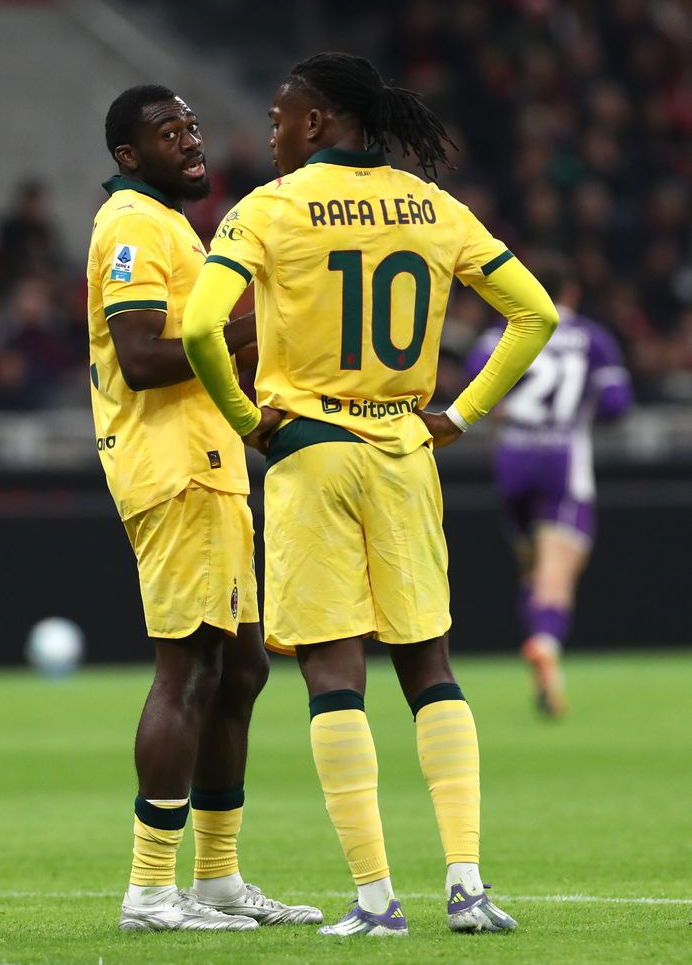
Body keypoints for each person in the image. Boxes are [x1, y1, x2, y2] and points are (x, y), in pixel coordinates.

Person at [181, 52, 559, 936]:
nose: (272, 129)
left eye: (281, 114)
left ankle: (376, 898)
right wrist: (460, 414)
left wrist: (245, 417)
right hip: (403, 449)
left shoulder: (268, 209)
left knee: (331, 671)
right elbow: (533, 311)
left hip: (311, 449)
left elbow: (200, 326)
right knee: (430, 666)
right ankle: (467, 886)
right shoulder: (432, 205)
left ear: (316, 123)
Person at [87, 84, 322, 932]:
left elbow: (204, 344)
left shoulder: (170, 225)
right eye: (166, 131)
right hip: (172, 469)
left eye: (190, 125)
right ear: (128, 156)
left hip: (212, 466)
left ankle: (216, 879)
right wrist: (254, 323)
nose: (189, 140)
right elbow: (145, 357)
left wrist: (264, 326)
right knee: (186, 671)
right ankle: (151, 889)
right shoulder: (131, 228)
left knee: (241, 670)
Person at [466, 254, 633, 716]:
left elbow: (476, 388)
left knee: (532, 569)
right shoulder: (593, 339)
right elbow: (618, 403)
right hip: (564, 460)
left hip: (513, 462)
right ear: (573, 291)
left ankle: (543, 669)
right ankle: (544, 643)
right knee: (556, 576)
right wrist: (576, 414)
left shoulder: (495, 335)